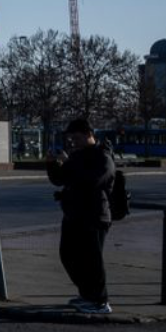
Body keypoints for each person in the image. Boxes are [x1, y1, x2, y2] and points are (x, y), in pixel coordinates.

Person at [46, 117, 116, 314]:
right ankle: (87, 294)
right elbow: (60, 179)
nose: (73, 143)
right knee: (68, 256)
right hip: (73, 214)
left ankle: (100, 301)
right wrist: (52, 164)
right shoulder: (77, 156)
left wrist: (69, 163)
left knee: (92, 260)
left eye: (76, 138)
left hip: (94, 215)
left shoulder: (103, 156)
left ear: (89, 135)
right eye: (71, 139)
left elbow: (92, 181)